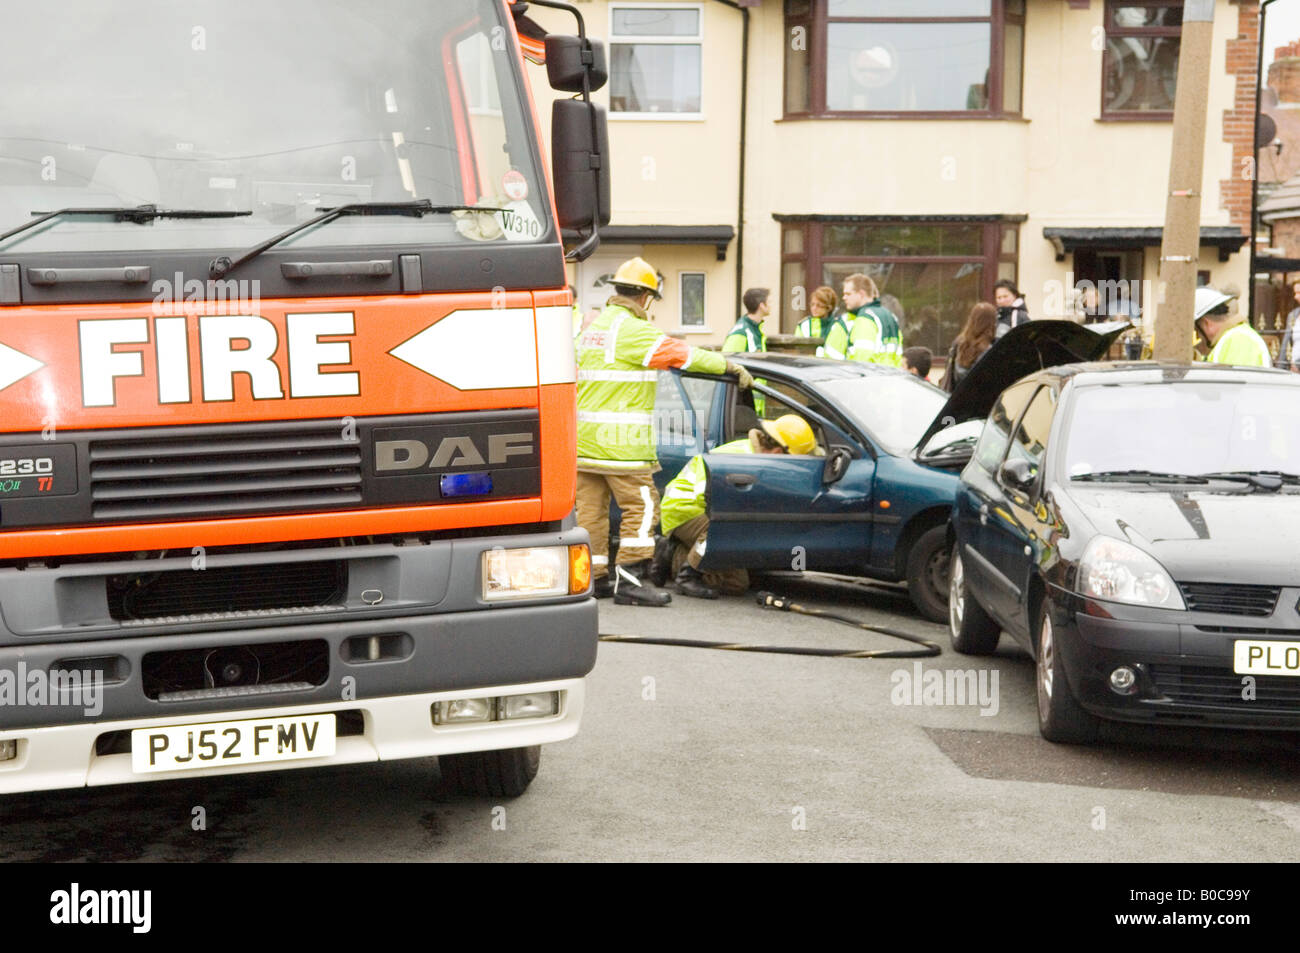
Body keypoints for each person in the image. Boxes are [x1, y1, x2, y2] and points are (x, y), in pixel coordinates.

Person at [576, 256, 754, 606]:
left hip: (584, 443)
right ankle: (630, 583)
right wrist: (728, 365)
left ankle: (594, 580)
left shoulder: (592, 330)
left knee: (590, 514)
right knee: (642, 509)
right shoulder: (634, 331)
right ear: (644, 297)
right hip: (622, 448)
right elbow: (684, 356)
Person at [659, 415, 819, 598]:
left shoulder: (751, 452)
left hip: (699, 508)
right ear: (777, 452)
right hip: (684, 509)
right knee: (723, 531)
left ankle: (676, 554)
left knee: (736, 583)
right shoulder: (746, 462)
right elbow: (725, 518)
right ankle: (685, 573)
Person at [824, 273, 903, 366]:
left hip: (865, 377)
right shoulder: (890, 316)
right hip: (891, 376)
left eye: (848, 294)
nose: (844, 298)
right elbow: (898, 353)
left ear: (861, 294)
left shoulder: (865, 317)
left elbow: (862, 358)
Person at [1194, 287, 1271, 367]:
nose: (1197, 337)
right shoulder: (1232, 340)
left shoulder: (1239, 341)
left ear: (1206, 324)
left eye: (1196, 330)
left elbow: (1236, 378)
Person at [943, 302, 997, 393]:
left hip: (956, 398)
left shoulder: (958, 343)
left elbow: (950, 371)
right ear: (992, 322)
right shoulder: (989, 350)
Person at [724, 287, 770, 353]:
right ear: (762, 305)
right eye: (769, 302)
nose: (771, 305)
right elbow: (727, 359)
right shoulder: (740, 332)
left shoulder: (756, 329)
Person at [1277, 280, 1300, 372]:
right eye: (1295, 293)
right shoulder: (1293, 315)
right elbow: (1285, 344)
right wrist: (1280, 368)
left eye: (1299, 293)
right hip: (1292, 369)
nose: (1296, 296)